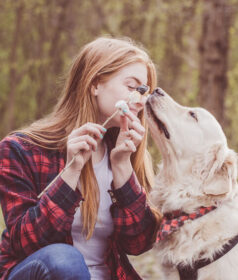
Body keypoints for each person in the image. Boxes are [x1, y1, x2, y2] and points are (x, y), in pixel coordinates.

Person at [0, 37, 161, 280]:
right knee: (63, 260)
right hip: (40, 272)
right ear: (95, 83)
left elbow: (139, 243)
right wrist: (72, 171)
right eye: (132, 87)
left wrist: (122, 168)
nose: (141, 98)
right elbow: (24, 242)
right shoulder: (21, 149)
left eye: (144, 90)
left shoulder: (127, 152)